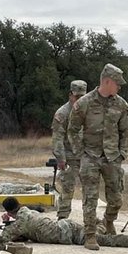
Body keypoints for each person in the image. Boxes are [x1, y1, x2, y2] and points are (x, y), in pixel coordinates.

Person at [67, 63, 128, 251]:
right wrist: (80, 152)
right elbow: (73, 129)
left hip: (112, 157)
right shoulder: (84, 103)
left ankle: (109, 221)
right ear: (107, 81)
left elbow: (125, 131)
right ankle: (90, 235)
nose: (119, 87)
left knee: (116, 198)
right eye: (117, 83)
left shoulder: (121, 105)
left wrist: (122, 153)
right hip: (90, 156)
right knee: (90, 198)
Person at [0, 198, 128, 249]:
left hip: (70, 233)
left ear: (10, 212)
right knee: (98, 233)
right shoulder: (26, 212)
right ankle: (100, 224)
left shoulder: (21, 221)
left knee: (106, 241)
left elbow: (5, 237)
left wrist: (6, 224)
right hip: (66, 228)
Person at [51, 79, 87, 219]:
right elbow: (57, 138)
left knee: (89, 189)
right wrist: (60, 158)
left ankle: (89, 218)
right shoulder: (63, 113)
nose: (80, 100)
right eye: (77, 97)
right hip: (69, 156)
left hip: (85, 156)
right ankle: (63, 217)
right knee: (67, 188)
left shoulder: (87, 111)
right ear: (70, 95)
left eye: (82, 97)